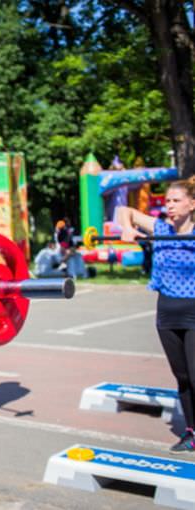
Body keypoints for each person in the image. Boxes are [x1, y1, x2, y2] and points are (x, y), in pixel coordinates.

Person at [116, 176, 195, 453]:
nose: (170, 205)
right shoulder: (159, 226)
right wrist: (127, 228)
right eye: (168, 201)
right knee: (183, 376)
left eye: (176, 201)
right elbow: (124, 211)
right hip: (167, 313)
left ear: (192, 204)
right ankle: (191, 432)